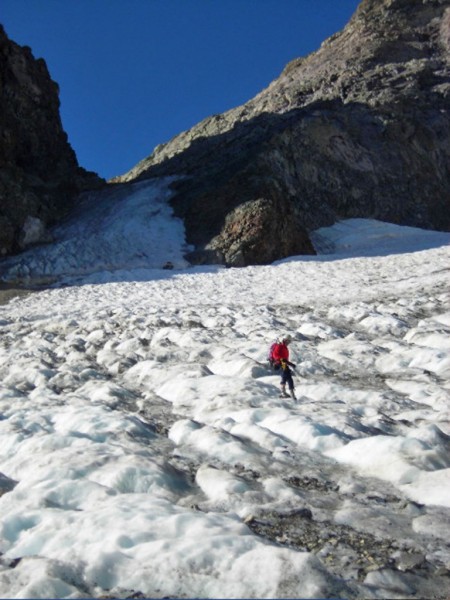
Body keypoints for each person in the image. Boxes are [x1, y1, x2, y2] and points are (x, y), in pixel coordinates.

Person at [272, 334, 297, 399]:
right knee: (288, 376)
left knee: (285, 376)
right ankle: (291, 393)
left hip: (283, 363)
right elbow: (275, 354)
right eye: (287, 341)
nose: (288, 343)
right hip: (280, 363)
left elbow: (285, 359)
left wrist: (290, 364)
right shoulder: (280, 346)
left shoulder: (285, 348)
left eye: (289, 342)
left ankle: (284, 392)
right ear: (284, 340)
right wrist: (281, 359)